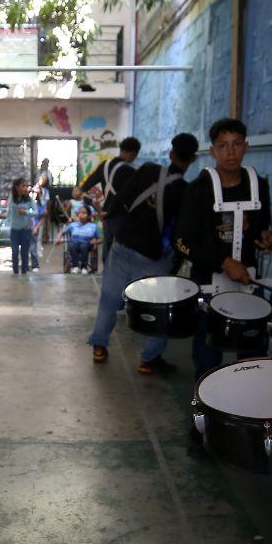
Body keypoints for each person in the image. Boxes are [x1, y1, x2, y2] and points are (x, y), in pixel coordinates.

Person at [175, 118, 272, 378]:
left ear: (246, 146)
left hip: (250, 284)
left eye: (236, 144)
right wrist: (223, 262)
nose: (230, 152)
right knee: (208, 362)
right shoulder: (197, 189)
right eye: (222, 146)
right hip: (208, 288)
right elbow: (182, 243)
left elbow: (260, 228)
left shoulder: (259, 186)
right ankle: (206, 403)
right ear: (213, 151)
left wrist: (265, 238)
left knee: (253, 360)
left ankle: (248, 402)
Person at [90, 132, 199, 373]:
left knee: (109, 299)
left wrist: (110, 213)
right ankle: (149, 359)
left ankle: (99, 346)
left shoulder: (148, 169)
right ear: (192, 159)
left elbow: (122, 197)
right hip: (151, 256)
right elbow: (180, 231)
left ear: (170, 153)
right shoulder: (186, 190)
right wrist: (175, 263)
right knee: (161, 306)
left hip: (122, 244)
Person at [80, 137, 140, 261]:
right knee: (121, 249)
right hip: (121, 215)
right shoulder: (130, 171)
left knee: (107, 247)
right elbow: (126, 196)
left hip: (106, 215)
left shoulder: (105, 165)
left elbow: (86, 185)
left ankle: (107, 271)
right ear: (132, 154)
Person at [56, 205, 101, 273]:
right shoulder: (73, 224)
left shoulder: (93, 226)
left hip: (87, 243)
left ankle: (84, 267)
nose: (81, 214)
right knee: (73, 245)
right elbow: (62, 232)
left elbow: (100, 239)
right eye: (80, 213)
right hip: (75, 243)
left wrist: (95, 242)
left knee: (83, 246)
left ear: (88, 215)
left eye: (84, 213)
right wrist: (58, 239)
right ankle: (75, 266)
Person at [4, 176, 34, 274]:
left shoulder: (29, 199)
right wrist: (3, 216)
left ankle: (24, 272)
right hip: (14, 229)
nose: (25, 188)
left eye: (26, 186)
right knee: (15, 252)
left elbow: (36, 212)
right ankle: (15, 271)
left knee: (25, 252)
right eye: (23, 186)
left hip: (26, 229)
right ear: (17, 187)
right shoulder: (12, 198)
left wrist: (26, 212)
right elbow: (9, 212)